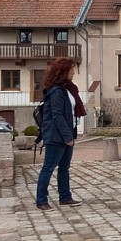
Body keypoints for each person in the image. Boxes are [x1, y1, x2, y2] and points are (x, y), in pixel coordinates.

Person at [35, 57, 87, 210]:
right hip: (56, 136)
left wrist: (70, 135)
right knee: (48, 168)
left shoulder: (67, 89)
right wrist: (67, 137)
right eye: (71, 69)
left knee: (64, 168)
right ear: (64, 71)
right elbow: (57, 115)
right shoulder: (57, 91)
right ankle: (41, 200)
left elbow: (69, 112)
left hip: (67, 134)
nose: (74, 73)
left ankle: (65, 197)